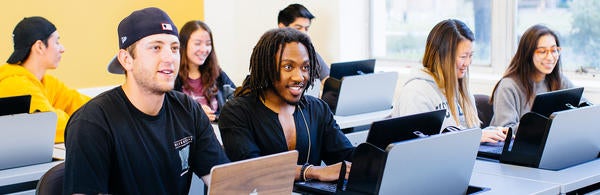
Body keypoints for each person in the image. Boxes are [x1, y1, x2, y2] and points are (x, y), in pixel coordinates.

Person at [63, 7, 229, 194]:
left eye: (174, 48)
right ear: (126, 59)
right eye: (156, 47)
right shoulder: (92, 123)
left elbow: (225, 184)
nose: (169, 57)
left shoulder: (188, 110)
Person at [218, 28, 354, 182]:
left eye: (305, 67)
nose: (299, 77)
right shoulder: (236, 112)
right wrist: (311, 171)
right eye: (288, 67)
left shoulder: (317, 109)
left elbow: (346, 156)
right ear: (267, 68)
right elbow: (253, 170)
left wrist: (379, 154)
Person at [391, 19, 506, 143]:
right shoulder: (415, 93)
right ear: (442, 57)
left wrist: (493, 132)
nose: (467, 63)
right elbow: (419, 149)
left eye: (470, 55)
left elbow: (468, 131)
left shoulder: (460, 87)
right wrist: (473, 138)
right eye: (463, 57)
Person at [0, 16, 90, 143]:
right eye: (57, 42)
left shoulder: (46, 82)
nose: (62, 49)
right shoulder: (15, 84)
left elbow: (79, 104)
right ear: (40, 47)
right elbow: (52, 126)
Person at [489, 24, 587, 131]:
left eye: (554, 50)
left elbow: (586, 108)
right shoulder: (508, 86)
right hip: (517, 146)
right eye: (542, 51)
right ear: (528, 54)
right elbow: (505, 132)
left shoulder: (559, 80)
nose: (550, 57)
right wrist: (541, 122)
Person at [174, 20, 236, 122]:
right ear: (183, 45)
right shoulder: (173, 78)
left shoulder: (218, 75)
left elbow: (238, 101)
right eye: (197, 43)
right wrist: (195, 113)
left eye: (208, 44)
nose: (204, 49)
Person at [278, 3, 330, 81]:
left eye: (306, 29)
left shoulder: (312, 55)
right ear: (282, 27)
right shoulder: (269, 56)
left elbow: (328, 80)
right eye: (298, 28)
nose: (304, 33)